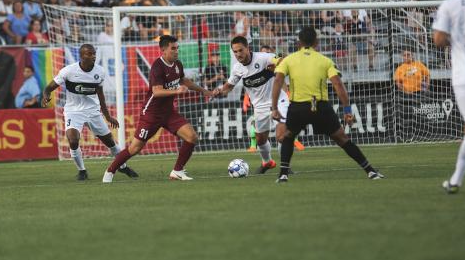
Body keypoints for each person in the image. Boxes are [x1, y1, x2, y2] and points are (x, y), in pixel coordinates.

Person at [271, 26, 384, 182]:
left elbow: (278, 80)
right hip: (320, 106)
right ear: (317, 42)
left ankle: (283, 174)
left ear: (299, 43)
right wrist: (347, 110)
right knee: (342, 139)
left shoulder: (288, 60)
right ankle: (370, 171)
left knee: (288, 137)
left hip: (298, 107)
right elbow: (338, 84)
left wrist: (275, 107)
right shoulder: (325, 60)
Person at [103, 35, 213, 183]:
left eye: (177, 48)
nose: (176, 51)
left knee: (192, 136)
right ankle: (110, 171)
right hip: (151, 114)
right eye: (173, 48)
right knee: (135, 148)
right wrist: (177, 91)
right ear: (163, 50)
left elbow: (184, 81)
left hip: (168, 113)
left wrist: (203, 91)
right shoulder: (157, 67)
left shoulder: (177, 64)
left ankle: (177, 171)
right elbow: (157, 91)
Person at [42, 44, 139, 181]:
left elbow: (100, 95)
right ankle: (82, 171)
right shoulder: (68, 71)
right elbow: (49, 87)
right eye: (89, 54)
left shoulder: (99, 72)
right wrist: (46, 95)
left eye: (94, 53)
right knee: (73, 139)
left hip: (92, 111)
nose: (93, 56)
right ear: (81, 56)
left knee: (110, 142)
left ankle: (123, 167)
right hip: (73, 111)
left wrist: (107, 116)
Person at [214, 36, 290, 174]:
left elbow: (283, 59)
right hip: (260, 107)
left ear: (248, 48)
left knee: (281, 136)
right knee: (260, 140)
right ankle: (267, 162)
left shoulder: (263, 58)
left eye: (240, 50)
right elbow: (228, 86)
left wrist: (276, 65)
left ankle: (285, 166)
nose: (238, 54)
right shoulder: (237, 69)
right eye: (235, 52)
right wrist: (219, 91)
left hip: (279, 101)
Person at [432, 0, 465, 194]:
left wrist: (454, 39)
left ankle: (455, 181)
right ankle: (456, 181)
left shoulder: (451, 5)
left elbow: (438, 40)